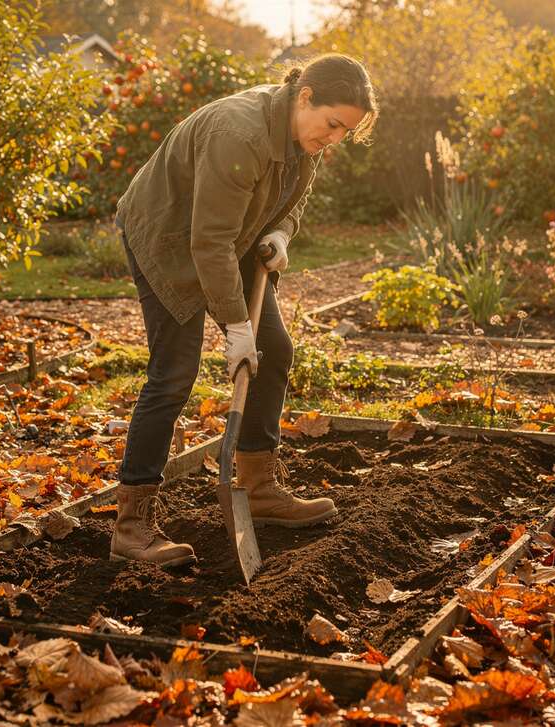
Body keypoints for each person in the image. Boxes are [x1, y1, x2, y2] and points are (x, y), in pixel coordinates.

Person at [110, 53, 378, 567]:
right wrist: (234, 326)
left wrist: (280, 231)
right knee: (174, 373)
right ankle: (132, 525)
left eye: (345, 131)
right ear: (305, 97)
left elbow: (290, 200)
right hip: (167, 238)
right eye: (333, 125)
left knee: (274, 349)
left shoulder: (305, 134)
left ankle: (257, 485)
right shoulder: (241, 132)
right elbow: (206, 243)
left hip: (232, 238)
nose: (335, 139)